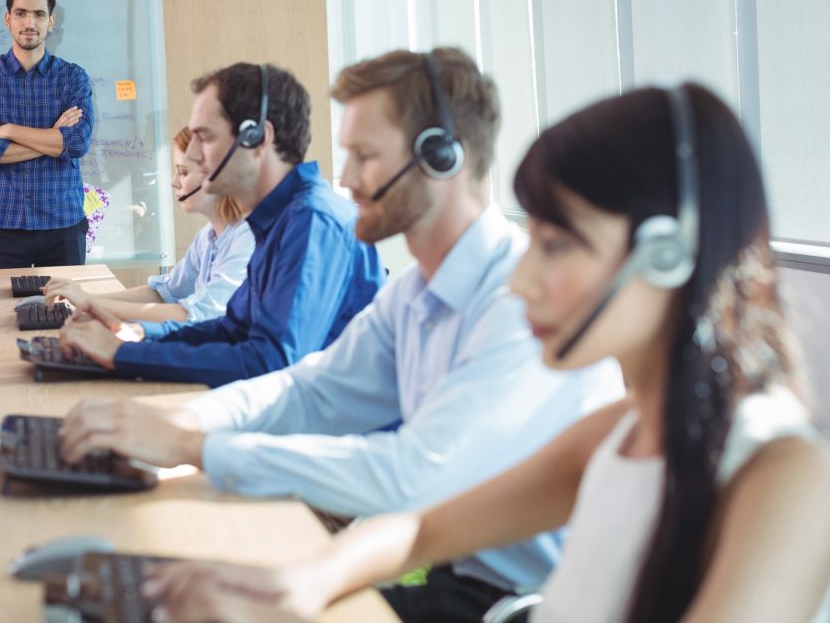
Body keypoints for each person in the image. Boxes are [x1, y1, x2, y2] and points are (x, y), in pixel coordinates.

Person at [144, 83, 830, 623]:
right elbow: (421, 533)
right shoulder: (618, 431)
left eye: (557, 246)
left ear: (668, 256)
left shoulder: (786, 476)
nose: (522, 280)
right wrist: (300, 583)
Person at [59, 48, 623, 618]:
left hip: (527, 605)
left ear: (441, 157)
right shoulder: (416, 293)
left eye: (365, 156)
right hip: (458, 577)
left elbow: (409, 475)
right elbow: (312, 389)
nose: (346, 178)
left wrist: (195, 446)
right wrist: (183, 422)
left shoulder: (518, 305)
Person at [57, 62, 385, 387]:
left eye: (206, 137)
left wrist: (123, 354)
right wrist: (137, 334)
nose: (193, 154)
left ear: (257, 137)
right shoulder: (273, 220)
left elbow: (269, 361)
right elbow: (231, 330)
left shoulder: (313, 222)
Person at [45, 126, 254, 323]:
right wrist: (84, 297)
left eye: (183, 172)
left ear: (218, 177)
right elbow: (164, 294)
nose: (174, 182)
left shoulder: (247, 238)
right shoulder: (208, 237)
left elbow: (196, 315)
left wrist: (89, 303)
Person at [0, 0, 95, 269]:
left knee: (66, 300)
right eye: (21, 13)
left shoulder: (73, 77)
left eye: (39, 14)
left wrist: (7, 131)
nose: (29, 22)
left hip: (63, 222)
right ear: (8, 20)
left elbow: (77, 143)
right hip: (2, 222)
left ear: (51, 22)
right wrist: (53, 139)